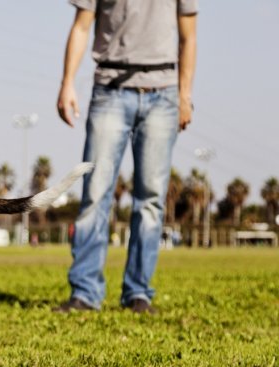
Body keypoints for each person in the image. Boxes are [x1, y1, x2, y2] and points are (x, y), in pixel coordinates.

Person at [54, 0, 198, 314]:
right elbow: (81, 25)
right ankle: (85, 292)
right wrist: (67, 83)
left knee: (150, 198)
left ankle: (138, 293)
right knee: (95, 193)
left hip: (163, 92)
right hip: (110, 89)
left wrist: (185, 95)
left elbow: (189, 35)